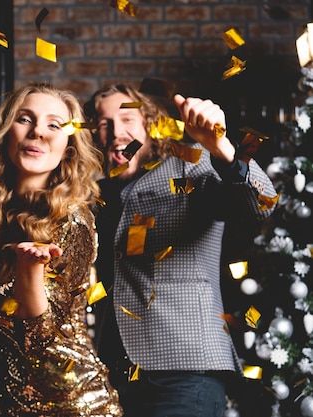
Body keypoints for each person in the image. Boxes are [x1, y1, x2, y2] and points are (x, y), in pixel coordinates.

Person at [83, 83, 278, 417]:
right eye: (103, 124)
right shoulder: (93, 196)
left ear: (149, 124)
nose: (116, 132)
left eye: (127, 118)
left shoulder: (192, 165)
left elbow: (261, 203)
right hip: (115, 374)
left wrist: (221, 147)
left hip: (185, 371)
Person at [0, 83, 123, 417]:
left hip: (73, 403)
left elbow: (38, 338)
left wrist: (29, 270)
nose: (38, 132)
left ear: (67, 147)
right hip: (9, 402)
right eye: (25, 119)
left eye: (54, 125)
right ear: (8, 133)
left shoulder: (73, 219)